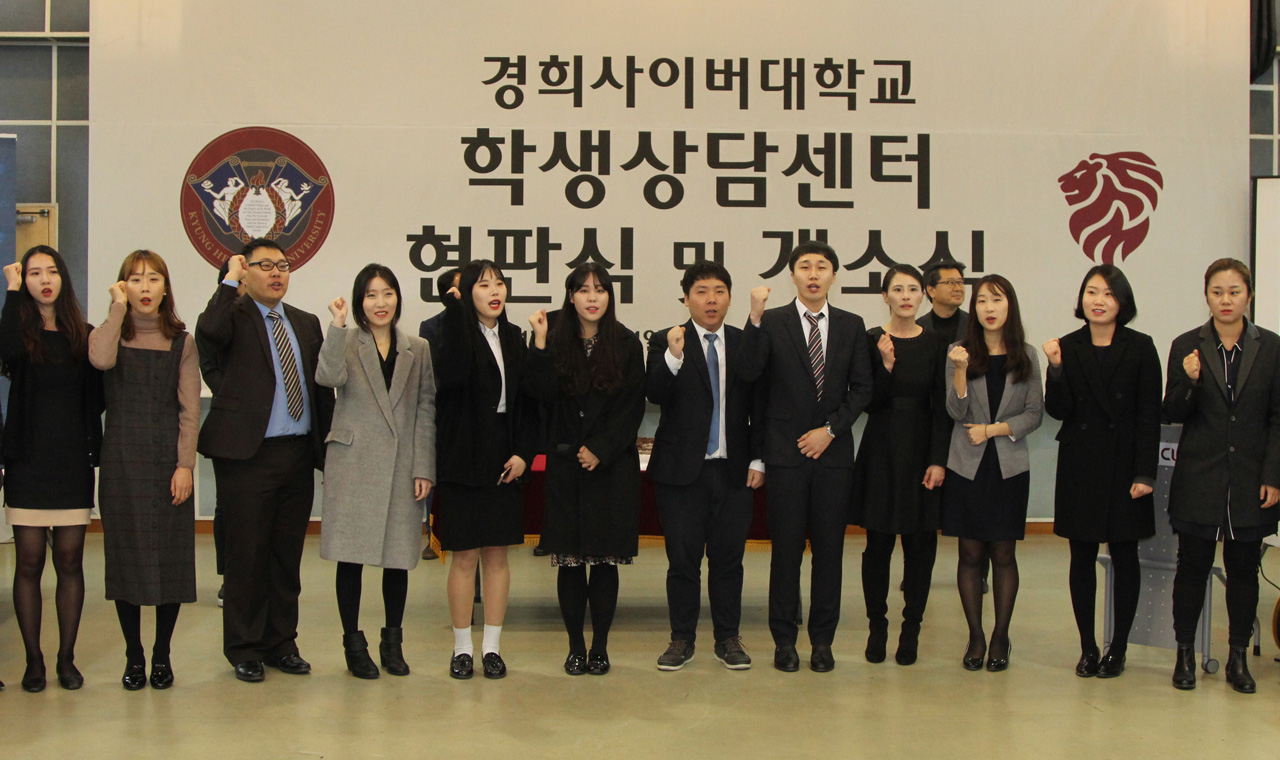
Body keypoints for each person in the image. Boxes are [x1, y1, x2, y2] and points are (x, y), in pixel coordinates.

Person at [196, 237, 334, 683]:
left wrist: (328, 452)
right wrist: (229, 280)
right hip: (248, 456)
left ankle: (282, 643)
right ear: (245, 271)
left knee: (285, 557)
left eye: (283, 265)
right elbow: (208, 335)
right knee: (247, 556)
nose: (276, 273)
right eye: (265, 266)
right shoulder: (232, 315)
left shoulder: (306, 323)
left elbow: (320, 391)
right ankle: (244, 646)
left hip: (296, 453)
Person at [739, 241, 873, 673]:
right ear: (792, 275)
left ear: (834, 275)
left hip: (833, 458)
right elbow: (751, 376)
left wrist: (830, 430)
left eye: (822, 267)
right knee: (786, 554)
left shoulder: (852, 325)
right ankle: (784, 641)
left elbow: (862, 388)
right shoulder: (772, 322)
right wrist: (754, 318)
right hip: (785, 456)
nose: (813, 274)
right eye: (805, 267)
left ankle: (822, 642)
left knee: (829, 554)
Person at [1163, 258, 1280, 694]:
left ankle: (1237, 657)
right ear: (1206, 296)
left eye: (1234, 291)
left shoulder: (1271, 347)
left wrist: (1273, 475)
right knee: (1191, 568)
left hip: (1250, 479)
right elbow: (1172, 412)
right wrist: (1190, 382)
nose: (1225, 300)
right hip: (1200, 476)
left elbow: (1277, 418)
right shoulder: (1186, 345)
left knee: (1244, 570)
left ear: (1249, 295)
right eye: (1217, 292)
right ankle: (1184, 655)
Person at [316, 264, 436, 679]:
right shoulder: (347, 340)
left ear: (398, 298)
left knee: (397, 559)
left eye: (387, 293)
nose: (380, 303)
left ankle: (392, 642)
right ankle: (354, 644)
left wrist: (424, 466)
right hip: (354, 464)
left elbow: (425, 407)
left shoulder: (417, 348)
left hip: (402, 465)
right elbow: (327, 377)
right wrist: (336, 325)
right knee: (350, 559)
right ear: (359, 302)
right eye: (371, 295)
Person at [525, 263, 645, 676]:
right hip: (566, 467)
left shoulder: (627, 342)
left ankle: (600, 648)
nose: (592, 298)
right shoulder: (554, 339)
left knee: (605, 562)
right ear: (571, 296)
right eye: (583, 290)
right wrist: (540, 344)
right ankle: (576, 647)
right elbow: (539, 396)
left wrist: (601, 449)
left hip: (610, 468)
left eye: (600, 290)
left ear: (610, 296)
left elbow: (631, 408)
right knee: (571, 562)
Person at [88, 250, 200, 690]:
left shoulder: (183, 342)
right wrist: (117, 308)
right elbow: (100, 360)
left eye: (153, 279)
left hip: (167, 462)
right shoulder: (109, 334)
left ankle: (161, 654)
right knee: (126, 560)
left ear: (165, 287)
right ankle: (133, 655)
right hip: (121, 461)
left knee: (171, 560)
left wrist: (185, 465)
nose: (145, 287)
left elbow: (190, 411)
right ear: (123, 287)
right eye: (135, 280)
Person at [1043, 265, 1161, 679]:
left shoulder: (1141, 346)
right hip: (1081, 464)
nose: (1098, 300)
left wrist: (1145, 473)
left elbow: (1149, 415)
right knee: (1081, 556)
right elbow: (1058, 410)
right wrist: (1055, 369)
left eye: (1108, 294)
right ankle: (1088, 647)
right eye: (1092, 292)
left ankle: (1119, 648)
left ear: (1122, 302)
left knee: (1125, 555)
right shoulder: (1067, 345)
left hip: (1126, 466)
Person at [646, 261, 764, 672]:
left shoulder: (744, 342)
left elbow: (759, 404)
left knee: (729, 562)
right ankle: (681, 639)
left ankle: (728, 638)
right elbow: (655, 392)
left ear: (729, 298)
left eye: (719, 291)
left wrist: (758, 458)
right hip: (680, 473)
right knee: (683, 562)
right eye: (701, 292)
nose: (711, 300)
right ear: (686, 298)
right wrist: (674, 357)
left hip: (734, 470)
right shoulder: (667, 339)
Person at [0, 245, 104, 692]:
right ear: (24, 282)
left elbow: (99, 398)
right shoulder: (20, 333)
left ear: (63, 278)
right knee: (28, 561)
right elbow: (5, 351)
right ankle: (33, 661)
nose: (44, 280)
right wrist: (9, 290)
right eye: (34, 273)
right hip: (27, 463)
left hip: (72, 464)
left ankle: (66, 659)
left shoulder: (84, 335)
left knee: (69, 561)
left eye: (52, 271)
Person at [433, 260, 535, 680]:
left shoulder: (513, 337)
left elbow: (527, 403)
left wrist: (523, 453)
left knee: (497, 555)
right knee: (464, 556)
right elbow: (452, 378)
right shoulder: (451, 334)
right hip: (462, 456)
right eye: (483, 285)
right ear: (467, 294)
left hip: (503, 455)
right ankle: (462, 648)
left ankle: (491, 647)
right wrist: (458, 317)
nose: (495, 291)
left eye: (499, 283)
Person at [943, 274, 1043, 672]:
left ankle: (1001, 635)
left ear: (1010, 306)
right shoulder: (958, 352)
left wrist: (994, 430)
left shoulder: (1027, 355)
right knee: (969, 553)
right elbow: (955, 411)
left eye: (997, 300)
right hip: (966, 466)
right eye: (982, 300)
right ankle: (976, 636)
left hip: (1008, 465)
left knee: (1003, 552)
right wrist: (960, 370)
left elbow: (1034, 413)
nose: (989, 308)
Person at [852, 264, 950, 666]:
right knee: (877, 545)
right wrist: (886, 366)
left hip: (922, 450)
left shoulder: (937, 342)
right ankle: (877, 627)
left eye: (913, 289)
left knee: (920, 546)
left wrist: (938, 460)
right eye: (898, 289)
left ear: (923, 295)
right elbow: (868, 403)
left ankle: (911, 630)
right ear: (885, 296)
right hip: (881, 448)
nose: (906, 296)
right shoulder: (871, 339)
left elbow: (943, 407)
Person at [194, 259, 245, 607]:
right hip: (229, 424)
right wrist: (234, 396)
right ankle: (229, 578)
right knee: (227, 506)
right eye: (238, 283)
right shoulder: (211, 322)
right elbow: (209, 368)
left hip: (269, 427)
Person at [417, 267, 461, 562]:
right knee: (436, 477)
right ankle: (434, 537)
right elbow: (431, 373)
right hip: (442, 413)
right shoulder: (432, 327)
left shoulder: (489, 324)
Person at [918, 260, 968, 343]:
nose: (958, 288)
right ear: (931, 290)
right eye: (950, 282)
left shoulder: (974, 325)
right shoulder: (918, 328)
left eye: (960, 282)